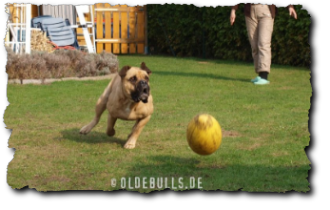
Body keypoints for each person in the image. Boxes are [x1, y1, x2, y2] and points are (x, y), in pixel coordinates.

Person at [230, 4, 297, 85]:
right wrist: (233, 10)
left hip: (266, 10)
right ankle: (260, 74)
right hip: (250, 12)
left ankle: (264, 76)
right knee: (254, 44)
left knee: (263, 43)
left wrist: (290, 6)